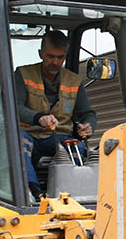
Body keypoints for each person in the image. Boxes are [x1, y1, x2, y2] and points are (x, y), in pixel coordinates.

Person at [12, 30, 96, 197]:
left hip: (58, 136)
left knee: (76, 147)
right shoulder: (23, 74)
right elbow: (15, 107)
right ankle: (30, 193)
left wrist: (88, 125)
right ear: (41, 54)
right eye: (50, 56)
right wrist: (38, 118)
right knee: (18, 143)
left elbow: (87, 113)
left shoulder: (74, 81)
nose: (55, 62)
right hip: (29, 134)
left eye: (60, 57)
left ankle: (73, 194)